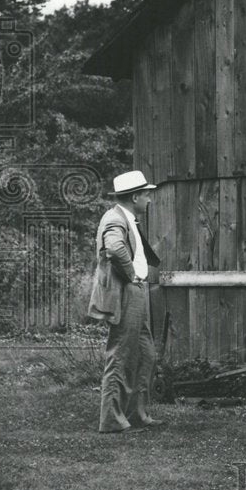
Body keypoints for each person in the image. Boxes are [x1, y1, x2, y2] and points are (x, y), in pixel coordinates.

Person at [88, 170, 162, 433]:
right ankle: (111, 419)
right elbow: (115, 248)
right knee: (120, 354)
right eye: (146, 195)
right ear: (135, 196)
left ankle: (136, 413)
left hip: (135, 291)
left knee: (146, 354)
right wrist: (132, 275)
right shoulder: (115, 219)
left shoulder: (126, 218)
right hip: (126, 292)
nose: (150, 200)